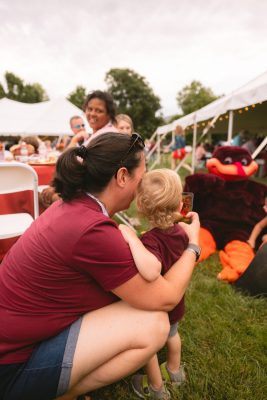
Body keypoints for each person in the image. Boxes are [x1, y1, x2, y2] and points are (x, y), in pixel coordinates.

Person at [0, 132, 200, 400]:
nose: (144, 185)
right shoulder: (92, 229)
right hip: (13, 367)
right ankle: (63, 394)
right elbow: (164, 299)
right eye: (142, 176)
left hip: (14, 345)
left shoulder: (76, 207)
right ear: (121, 177)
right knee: (154, 324)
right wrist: (193, 246)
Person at [119, 169, 191, 399]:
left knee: (149, 348)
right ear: (179, 202)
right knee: (172, 335)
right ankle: (175, 371)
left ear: (141, 206)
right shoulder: (181, 231)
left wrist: (131, 238)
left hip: (156, 307)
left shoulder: (149, 241)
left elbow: (151, 270)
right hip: (176, 301)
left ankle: (156, 389)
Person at [40, 90, 118, 208]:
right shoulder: (99, 134)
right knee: (43, 194)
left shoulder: (106, 135)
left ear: (109, 114)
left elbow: (81, 168)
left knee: (42, 195)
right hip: (85, 190)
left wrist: (57, 190)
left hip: (92, 196)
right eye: (89, 109)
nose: (92, 114)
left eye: (99, 111)